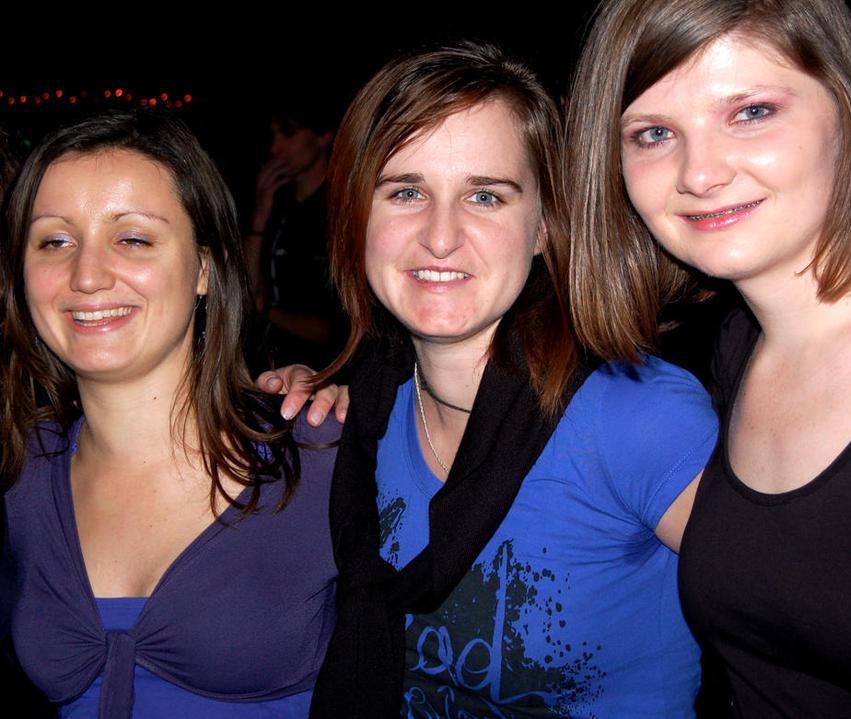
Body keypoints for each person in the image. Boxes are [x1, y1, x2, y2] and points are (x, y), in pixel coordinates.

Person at [267, 42, 717, 718]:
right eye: (406, 191)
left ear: (543, 226)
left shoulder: (636, 416)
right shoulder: (364, 419)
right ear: (357, 216)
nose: (440, 235)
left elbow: (820, 643)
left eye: (484, 196)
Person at [566, 0, 851, 714]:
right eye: (653, 133)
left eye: (750, 112)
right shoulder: (736, 349)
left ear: (848, 109)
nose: (699, 173)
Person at [0, 111, 339, 718]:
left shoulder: (321, 454)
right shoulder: (21, 469)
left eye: (133, 238)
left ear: (204, 268)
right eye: (54, 240)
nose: (86, 275)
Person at [245, 103, 347, 371]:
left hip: (325, 375)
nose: (275, 148)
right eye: (273, 136)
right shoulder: (275, 203)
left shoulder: (342, 211)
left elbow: (336, 330)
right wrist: (259, 217)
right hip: (268, 366)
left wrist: (266, 310)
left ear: (323, 136)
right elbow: (246, 292)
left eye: (288, 134)